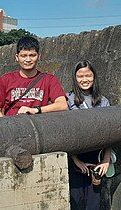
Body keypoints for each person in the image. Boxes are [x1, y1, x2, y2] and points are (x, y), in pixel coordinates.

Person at [67, 60, 111, 210]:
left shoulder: (103, 102)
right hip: (76, 158)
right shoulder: (69, 100)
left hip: (97, 159)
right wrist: (75, 160)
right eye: (80, 76)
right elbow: (65, 133)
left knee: (94, 203)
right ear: (75, 78)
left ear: (94, 77)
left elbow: (110, 133)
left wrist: (106, 160)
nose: (84, 80)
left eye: (88, 75)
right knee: (76, 202)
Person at [0, 36, 68, 117]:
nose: (28, 59)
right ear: (17, 57)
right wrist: (5, 126)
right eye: (23, 56)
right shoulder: (6, 80)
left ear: (39, 56)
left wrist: (36, 110)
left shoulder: (49, 80)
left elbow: (62, 105)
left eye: (32, 55)